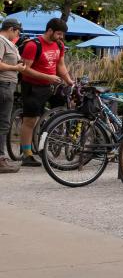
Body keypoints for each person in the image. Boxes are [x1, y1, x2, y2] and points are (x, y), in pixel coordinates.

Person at [19, 17, 72, 167]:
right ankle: (27, 154)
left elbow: (60, 65)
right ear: (50, 30)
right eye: (59, 34)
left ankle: (46, 141)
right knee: (30, 120)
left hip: (51, 86)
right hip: (32, 86)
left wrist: (68, 80)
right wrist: (47, 76)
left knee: (60, 111)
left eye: (62, 34)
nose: (61, 37)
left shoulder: (59, 45)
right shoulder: (33, 45)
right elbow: (25, 70)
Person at [0, 19, 27, 173]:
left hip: (7, 85)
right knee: (3, 123)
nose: (18, 34)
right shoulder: (1, 41)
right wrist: (15, 67)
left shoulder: (9, 43)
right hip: (3, 84)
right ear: (11, 29)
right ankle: (1, 159)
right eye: (18, 31)